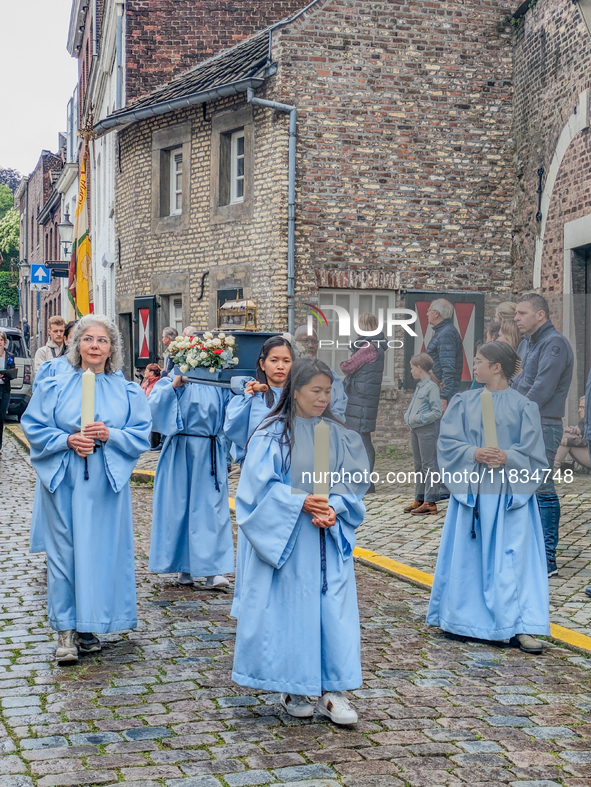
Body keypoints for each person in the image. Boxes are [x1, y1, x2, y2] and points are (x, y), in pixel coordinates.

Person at [232, 358, 369, 723]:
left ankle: (333, 690)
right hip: (291, 542)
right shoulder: (271, 434)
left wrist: (336, 508)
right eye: (315, 391)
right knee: (293, 613)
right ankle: (293, 685)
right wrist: (299, 502)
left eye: (328, 391)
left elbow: (352, 485)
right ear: (296, 391)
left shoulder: (339, 435)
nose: (323, 398)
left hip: (327, 538)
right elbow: (255, 491)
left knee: (333, 612)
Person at [21, 315, 151, 664]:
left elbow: (141, 433)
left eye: (103, 340)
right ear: (77, 344)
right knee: (63, 554)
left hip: (105, 486)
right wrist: (66, 439)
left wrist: (111, 435)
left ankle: (89, 625)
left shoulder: (127, 390)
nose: (95, 345)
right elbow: (33, 424)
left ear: (112, 349)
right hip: (64, 479)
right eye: (88, 339)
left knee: (99, 554)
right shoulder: (56, 385)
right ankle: (65, 631)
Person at [427, 341, 550, 654]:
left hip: (510, 496)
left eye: (480, 361)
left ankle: (520, 625)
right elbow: (448, 443)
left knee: (514, 560)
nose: (475, 366)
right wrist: (474, 452)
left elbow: (535, 453)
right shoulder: (462, 402)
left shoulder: (525, 407)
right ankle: (462, 621)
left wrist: (508, 456)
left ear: (497, 367)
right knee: (469, 557)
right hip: (474, 491)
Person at [148, 369, 234, 589]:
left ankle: (212, 570)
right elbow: (151, 409)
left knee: (210, 509)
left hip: (209, 449)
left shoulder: (218, 383)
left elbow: (232, 413)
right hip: (179, 449)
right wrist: (173, 388)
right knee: (179, 508)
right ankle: (183, 566)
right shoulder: (173, 379)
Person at [513, 293, 574, 577]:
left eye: (522, 313)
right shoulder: (527, 344)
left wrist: (513, 412)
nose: (516, 318)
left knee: (542, 491)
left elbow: (541, 389)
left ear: (540, 315)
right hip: (526, 422)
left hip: (544, 425)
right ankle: (531, 553)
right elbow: (519, 381)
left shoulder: (555, 345)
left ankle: (547, 560)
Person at [340, 313, 386, 492]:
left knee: (363, 438)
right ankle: (363, 479)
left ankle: (366, 481)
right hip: (365, 397)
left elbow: (348, 366)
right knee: (362, 437)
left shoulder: (368, 347)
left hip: (361, 398)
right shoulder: (375, 345)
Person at [403, 353, 442, 515]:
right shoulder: (420, 386)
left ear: (419, 368)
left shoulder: (431, 387)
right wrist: (408, 417)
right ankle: (419, 498)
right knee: (418, 466)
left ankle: (430, 501)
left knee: (428, 465)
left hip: (426, 430)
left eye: (412, 368)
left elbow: (437, 412)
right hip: (416, 429)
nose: (410, 371)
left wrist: (417, 418)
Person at [294, 325, 348, 418]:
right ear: (295, 343)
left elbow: (339, 407)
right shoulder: (290, 372)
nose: (310, 345)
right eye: (306, 340)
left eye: (314, 341)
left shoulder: (330, 374)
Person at [425, 299, 463, 413]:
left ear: (436, 314)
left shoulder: (446, 333)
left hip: (440, 391)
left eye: (429, 310)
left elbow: (448, 367)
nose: (427, 313)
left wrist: (444, 397)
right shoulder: (443, 332)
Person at [33, 320, 78, 392]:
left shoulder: (69, 352)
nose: (59, 334)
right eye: (55, 331)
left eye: (61, 331)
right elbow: (40, 377)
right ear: (49, 331)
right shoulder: (43, 352)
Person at [554, 398, 590, 471]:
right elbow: (580, 432)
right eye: (579, 407)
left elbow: (587, 441)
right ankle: (553, 466)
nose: (579, 410)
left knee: (566, 439)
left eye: (582, 407)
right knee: (566, 435)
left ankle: (553, 467)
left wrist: (567, 441)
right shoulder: (584, 422)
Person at [0, 331, 16, 455]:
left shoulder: (10, 355)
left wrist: (5, 375)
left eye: (1, 340)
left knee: (1, 418)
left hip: (5, 390)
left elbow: (12, 372)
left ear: (4, 342)